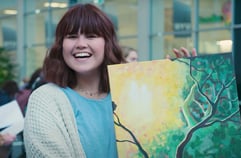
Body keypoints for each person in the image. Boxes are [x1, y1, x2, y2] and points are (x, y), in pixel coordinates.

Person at [23, 3, 196, 158]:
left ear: (107, 44)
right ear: (61, 45)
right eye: (72, 36)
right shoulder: (46, 99)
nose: (81, 44)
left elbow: (169, 142)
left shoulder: (133, 94)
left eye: (91, 36)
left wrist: (185, 88)